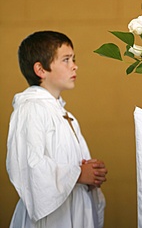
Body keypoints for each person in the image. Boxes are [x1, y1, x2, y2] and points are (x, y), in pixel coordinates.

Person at [6, 31, 107, 228]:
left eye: (73, 59)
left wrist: (91, 173)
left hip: (73, 208)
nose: (74, 66)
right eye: (66, 60)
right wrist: (78, 174)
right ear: (41, 70)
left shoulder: (64, 114)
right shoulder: (31, 108)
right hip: (52, 218)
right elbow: (29, 166)